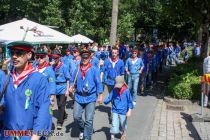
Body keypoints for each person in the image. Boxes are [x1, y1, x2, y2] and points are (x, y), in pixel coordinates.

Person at [0, 41, 51, 139]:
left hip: (28, 135)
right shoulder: (6, 79)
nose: (14, 56)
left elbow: (44, 109)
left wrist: (35, 136)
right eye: (12, 53)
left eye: (19, 53)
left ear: (29, 55)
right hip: (7, 135)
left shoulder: (39, 79)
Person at [69, 49, 103, 140]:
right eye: (83, 57)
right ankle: (83, 129)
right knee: (76, 116)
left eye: (86, 58)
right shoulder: (77, 69)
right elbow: (72, 80)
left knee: (89, 120)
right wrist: (71, 86)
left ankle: (87, 137)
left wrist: (100, 95)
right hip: (79, 97)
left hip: (90, 97)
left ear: (89, 58)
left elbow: (99, 83)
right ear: (81, 58)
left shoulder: (94, 69)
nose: (85, 59)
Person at [104, 75, 133, 140]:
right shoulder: (114, 90)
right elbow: (110, 97)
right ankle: (112, 136)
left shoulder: (126, 91)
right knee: (114, 123)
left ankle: (124, 133)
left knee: (123, 125)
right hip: (115, 110)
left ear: (123, 83)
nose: (118, 87)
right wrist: (104, 101)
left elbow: (130, 101)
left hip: (123, 111)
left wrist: (129, 110)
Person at [51, 49, 70, 129]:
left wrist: (67, 90)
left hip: (63, 87)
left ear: (59, 58)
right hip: (56, 88)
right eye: (53, 58)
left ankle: (59, 122)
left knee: (60, 105)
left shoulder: (64, 67)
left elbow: (68, 79)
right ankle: (64, 115)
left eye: (56, 58)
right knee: (60, 104)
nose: (54, 60)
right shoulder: (52, 67)